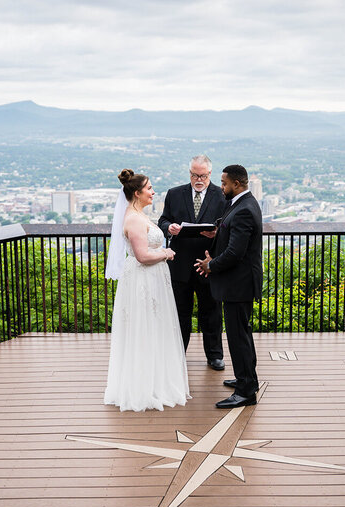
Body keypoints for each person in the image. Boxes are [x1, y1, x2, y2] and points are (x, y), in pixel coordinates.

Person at [104, 169, 190, 412]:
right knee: (144, 329)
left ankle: (155, 381)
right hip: (142, 281)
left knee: (154, 328)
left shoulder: (139, 214)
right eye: (149, 188)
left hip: (152, 280)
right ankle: (142, 387)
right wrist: (166, 253)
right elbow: (142, 256)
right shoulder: (132, 218)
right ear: (136, 192)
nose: (153, 192)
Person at [194, 164, 263, 408]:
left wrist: (210, 265)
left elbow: (235, 252)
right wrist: (217, 235)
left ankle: (246, 391)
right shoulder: (245, 203)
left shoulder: (244, 209)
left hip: (238, 285)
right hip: (239, 284)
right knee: (241, 334)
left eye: (224, 183)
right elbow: (231, 233)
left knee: (238, 337)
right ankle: (248, 379)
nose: (221, 187)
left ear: (236, 183)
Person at [158, 155, 227, 371]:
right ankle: (178, 354)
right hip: (180, 265)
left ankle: (215, 355)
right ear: (189, 173)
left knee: (212, 312)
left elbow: (227, 226)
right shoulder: (174, 193)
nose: (199, 179)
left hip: (208, 263)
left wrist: (216, 233)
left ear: (210, 174)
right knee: (180, 313)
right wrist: (168, 228)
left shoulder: (221, 195)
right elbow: (163, 219)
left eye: (203, 176)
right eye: (195, 175)